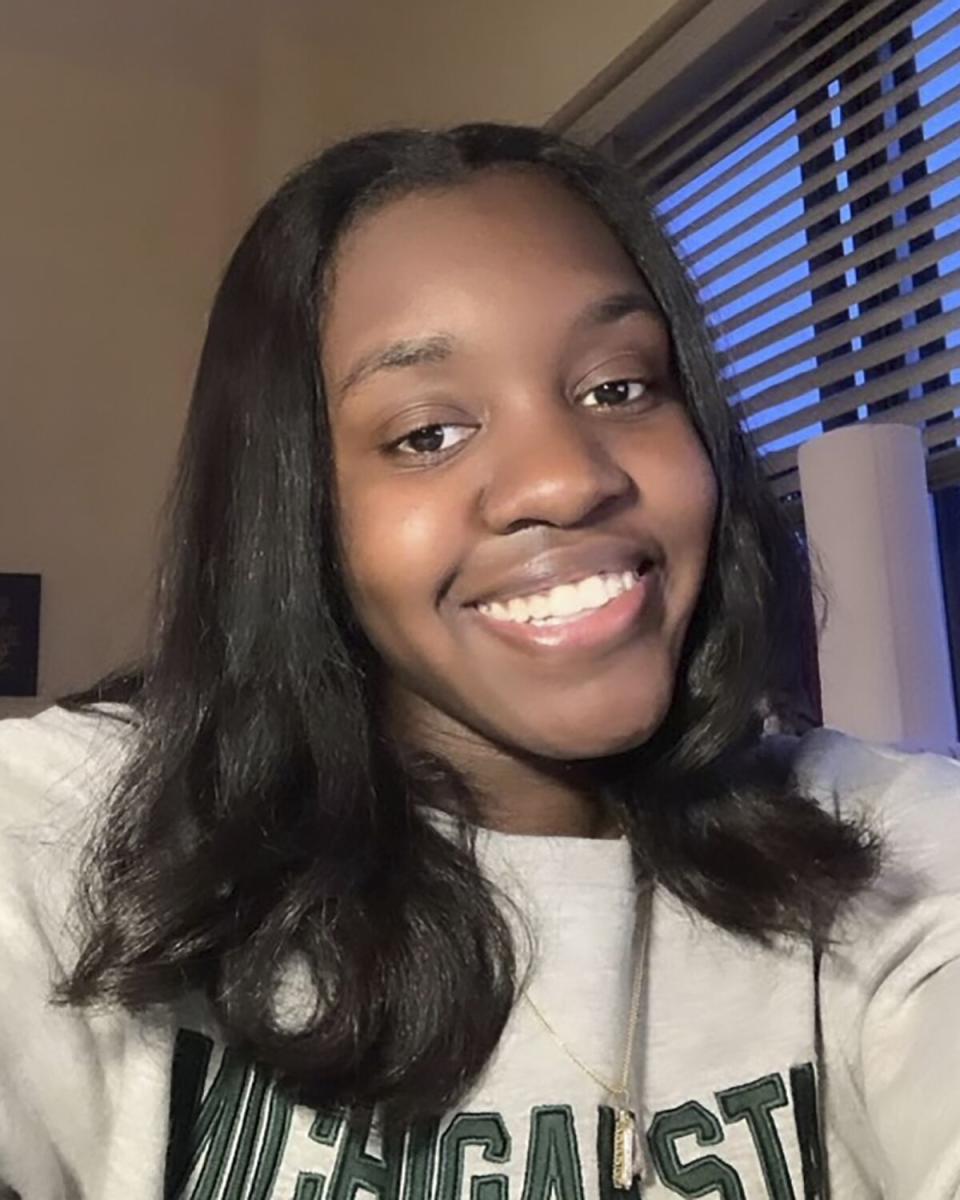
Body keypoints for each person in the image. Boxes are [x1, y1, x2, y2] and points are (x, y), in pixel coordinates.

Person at [0, 123, 957, 1200]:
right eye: (425, 434)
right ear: (299, 510)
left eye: (619, 388)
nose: (561, 479)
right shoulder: (79, 836)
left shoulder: (891, 849)